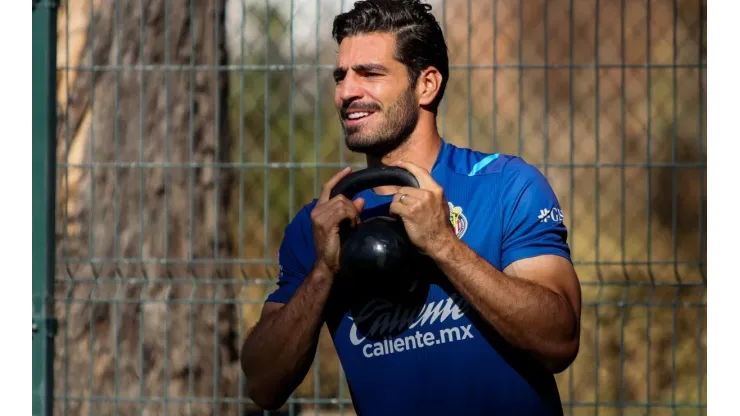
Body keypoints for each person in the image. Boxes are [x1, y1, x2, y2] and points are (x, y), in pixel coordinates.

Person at [240, 0, 582, 414]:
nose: (347, 91)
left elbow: (560, 341)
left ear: (427, 85)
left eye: (370, 73)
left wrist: (443, 245)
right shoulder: (320, 223)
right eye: (341, 76)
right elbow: (262, 385)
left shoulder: (506, 187)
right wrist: (323, 272)